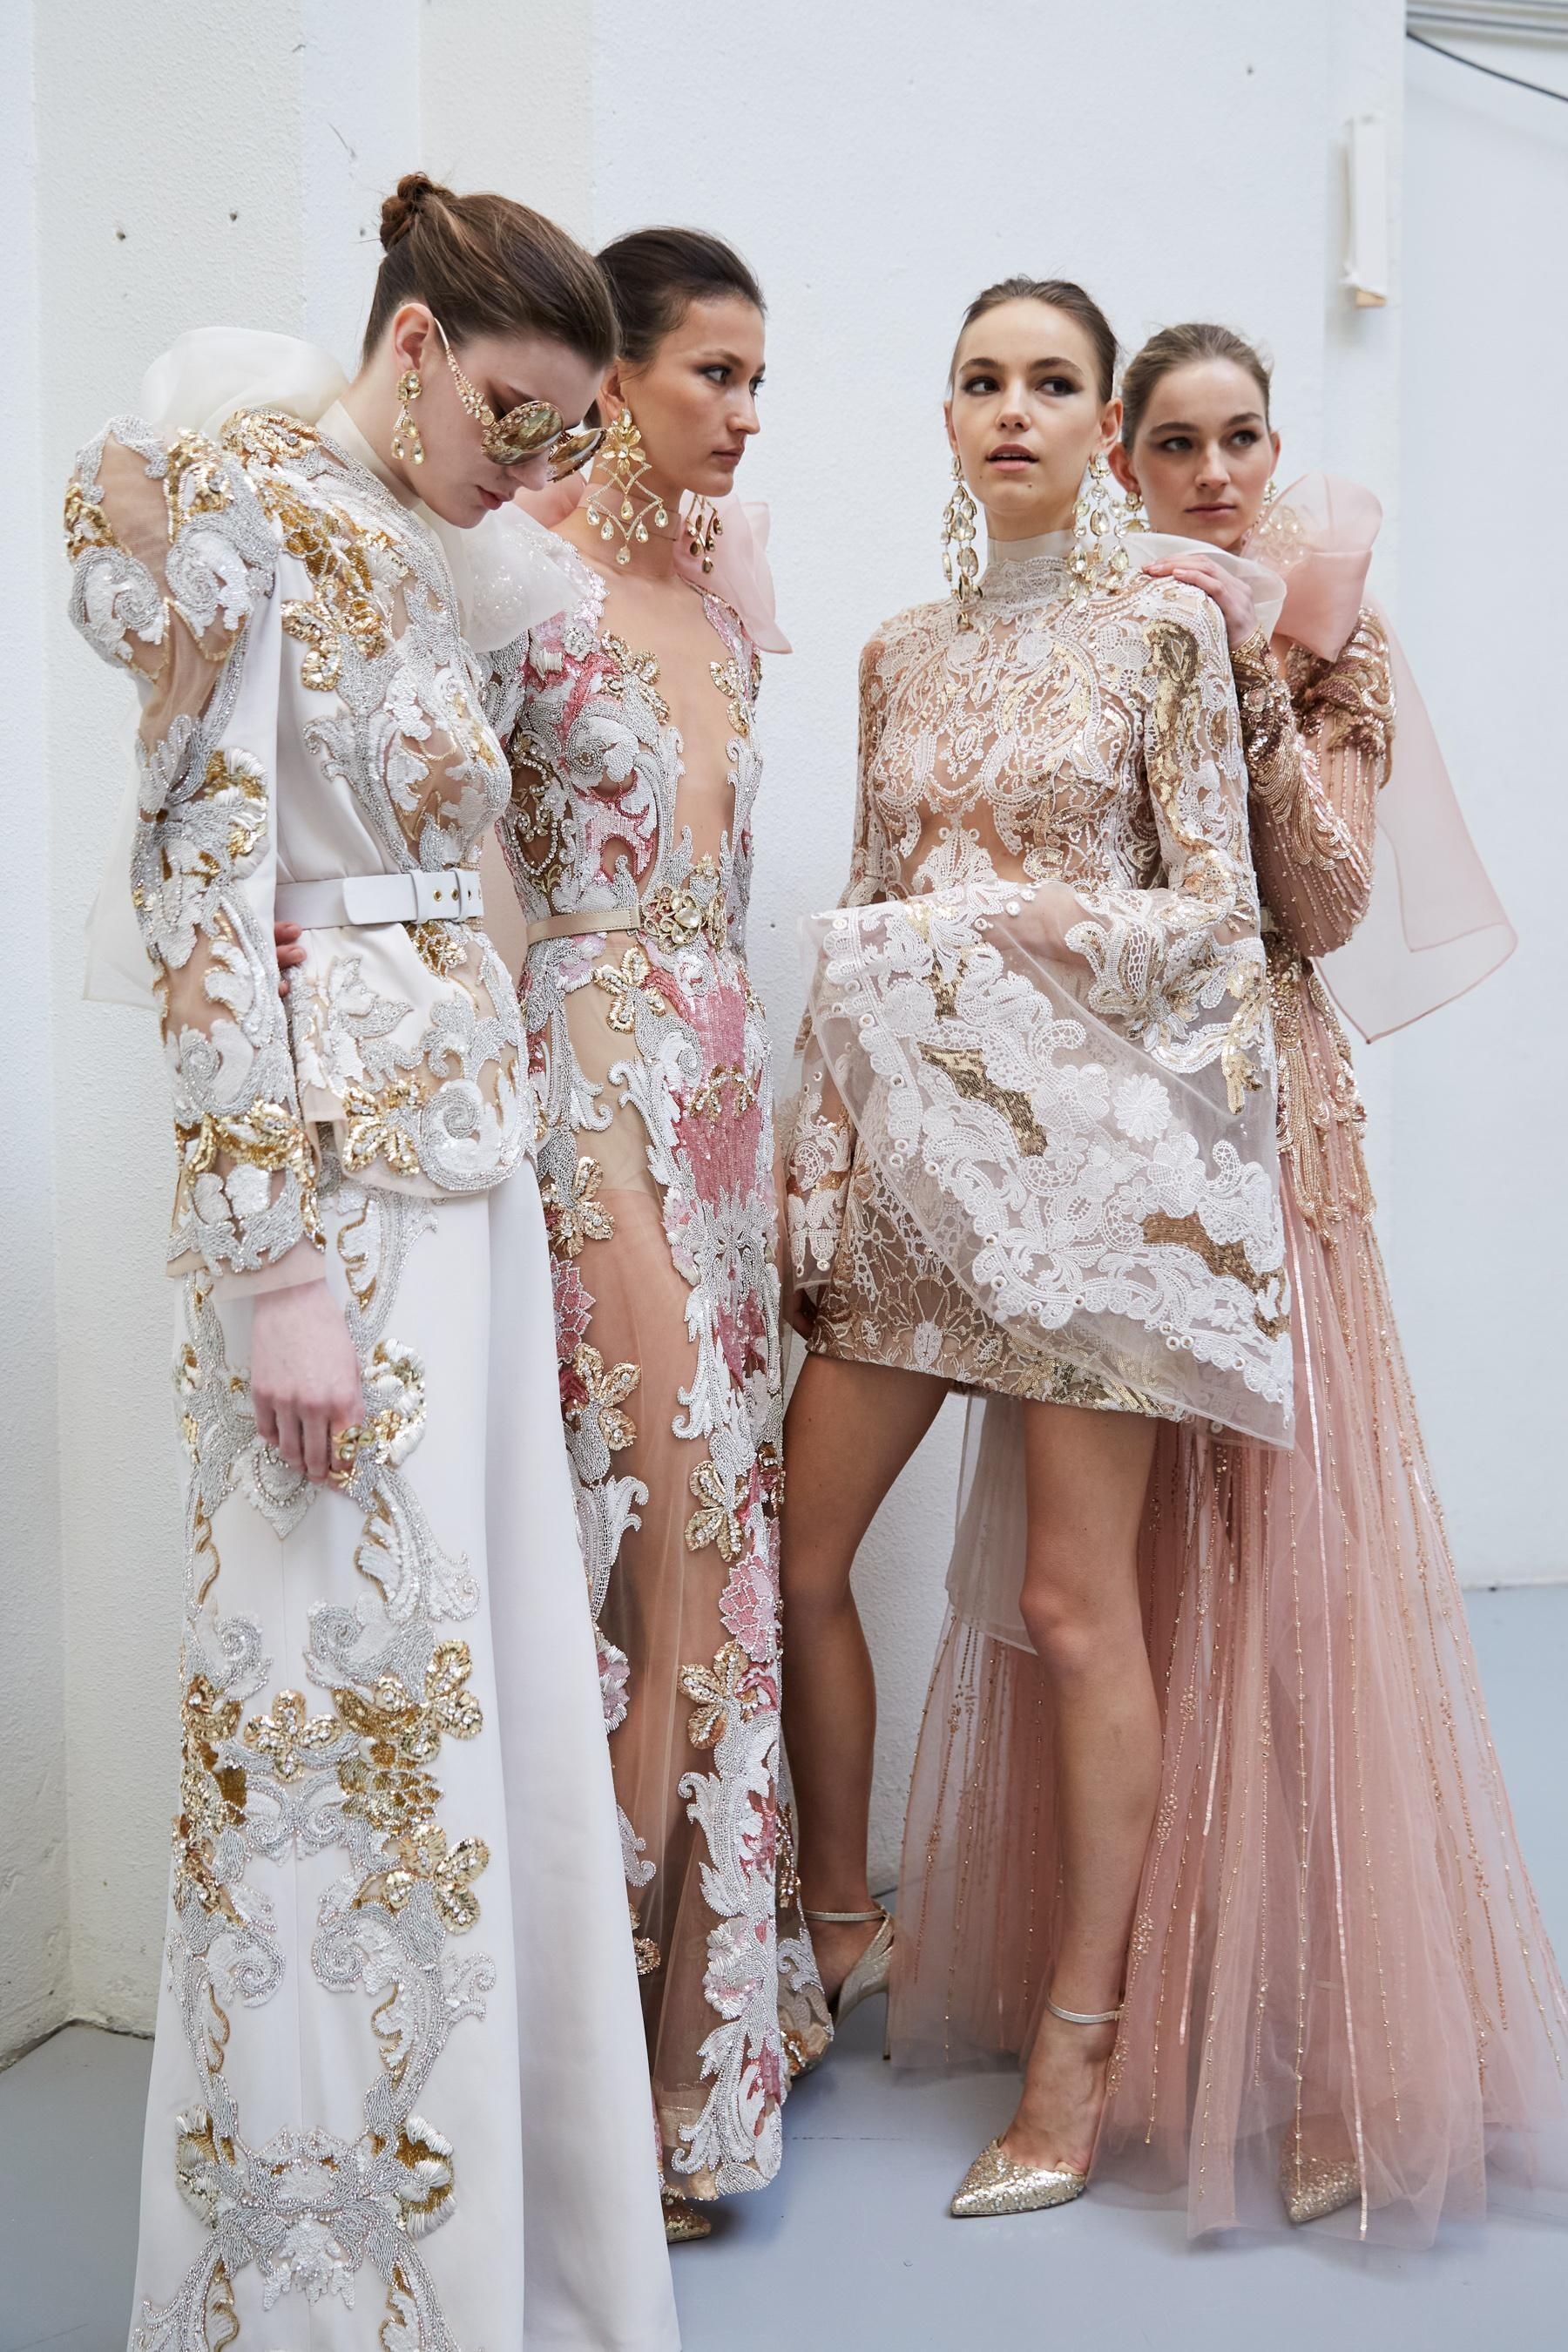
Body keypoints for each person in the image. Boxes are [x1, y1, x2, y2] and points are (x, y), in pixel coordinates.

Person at [67, 172, 678, 2347]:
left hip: (465, 1182)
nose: (528, 462)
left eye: (563, 431)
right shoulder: (235, 508)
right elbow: (197, 898)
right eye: (510, 412)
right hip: (328, 1214)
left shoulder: (430, 551)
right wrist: (275, 1274)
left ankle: (509, 2266)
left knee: (472, 1706)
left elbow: (583, 833)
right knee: (330, 1719)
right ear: (413, 341)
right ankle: (330, 2292)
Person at [896, 320, 1568, 2241]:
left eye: (1241, 439)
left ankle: (1336, 2030)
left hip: (1266, 1122)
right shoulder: (1109, 628)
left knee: (1287, 1566)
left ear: (1275, 452)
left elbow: (1326, 904)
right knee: (1116, 1579)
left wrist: (1259, 673)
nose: (1210, 475)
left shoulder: (1329, 639)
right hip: (1114, 1129)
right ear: (1125, 464)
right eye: (1176, 444)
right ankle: (1137, 1996)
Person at [781, 277, 1291, 2220]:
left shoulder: (1160, 636)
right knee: (793, 1554)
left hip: (1087, 1181)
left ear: (1101, 432)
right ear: (947, 423)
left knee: (1080, 1610)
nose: (1014, 410)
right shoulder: (895, 655)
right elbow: (860, 909)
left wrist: (1004, 929)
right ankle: (844, 1922)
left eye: (1052, 383)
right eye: (982, 381)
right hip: (916, 1177)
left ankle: (1079, 2039)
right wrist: (825, 1152)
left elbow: (1220, 924)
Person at [496, 227, 830, 2241]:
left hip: (716, 1084)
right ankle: (609, 2070)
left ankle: (720, 2017)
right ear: (612, 380)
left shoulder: (720, 594)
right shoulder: (515, 583)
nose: (747, 412)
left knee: (719, 1544)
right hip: (586, 1080)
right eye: (717, 372)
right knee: (666, 1544)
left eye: (759, 378)